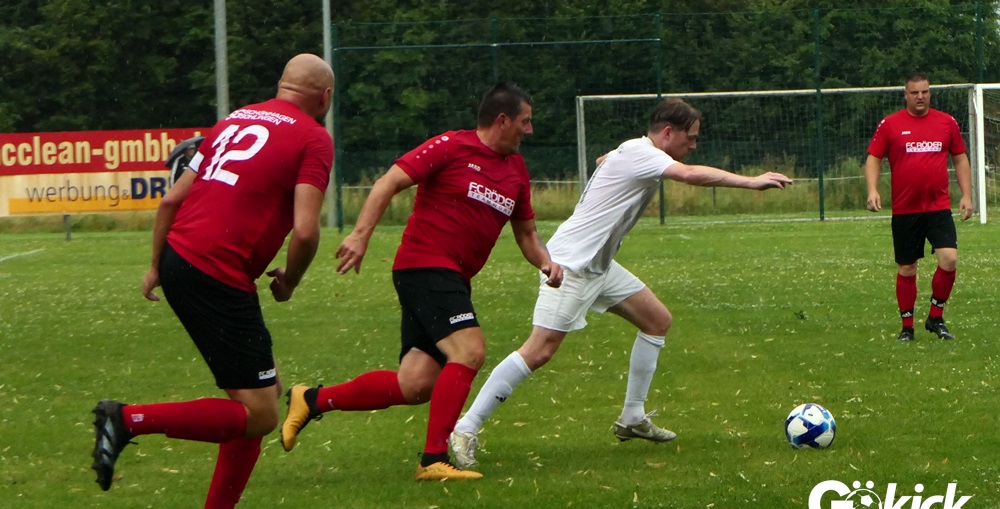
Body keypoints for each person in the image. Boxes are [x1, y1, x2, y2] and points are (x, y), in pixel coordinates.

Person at [448, 98, 793, 468]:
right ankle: (465, 428)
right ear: (668, 132)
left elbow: (614, 159)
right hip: (571, 264)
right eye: (690, 138)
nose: (694, 145)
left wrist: (610, 159)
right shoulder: (643, 154)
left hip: (599, 266)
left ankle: (632, 417)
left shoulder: (634, 150)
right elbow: (690, 175)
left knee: (657, 320)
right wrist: (751, 181)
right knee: (539, 351)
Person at [90, 53, 334, 509]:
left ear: (281, 85)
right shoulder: (313, 137)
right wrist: (291, 279)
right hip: (217, 272)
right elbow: (306, 231)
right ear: (324, 97)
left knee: (263, 392)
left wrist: (156, 265)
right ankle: (127, 419)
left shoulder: (234, 119)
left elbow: (171, 199)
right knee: (260, 414)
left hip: (182, 258)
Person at [280, 83, 562, 481]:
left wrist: (546, 262)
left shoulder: (516, 170)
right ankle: (433, 460)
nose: (529, 130)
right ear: (502, 120)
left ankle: (312, 399)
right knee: (469, 351)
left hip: (451, 277)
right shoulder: (451, 146)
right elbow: (388, 183)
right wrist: (360, 235)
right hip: (424, 266)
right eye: (525, 121)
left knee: (415, 384)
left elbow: (527, 234)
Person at [865, 72, 974, 342]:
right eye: (914, 92)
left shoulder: (946, 122)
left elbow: (960, 158)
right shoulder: (890, 124)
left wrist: (966, 195)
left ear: (930, 93)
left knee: (949, 259)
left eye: (925, 91)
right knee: (907, 268)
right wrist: (872, 190)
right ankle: (907, 327)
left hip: (938, 207)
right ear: (906, 95)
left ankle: (936, 317)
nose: (920, 97)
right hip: (905, 209)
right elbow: (874, 158)